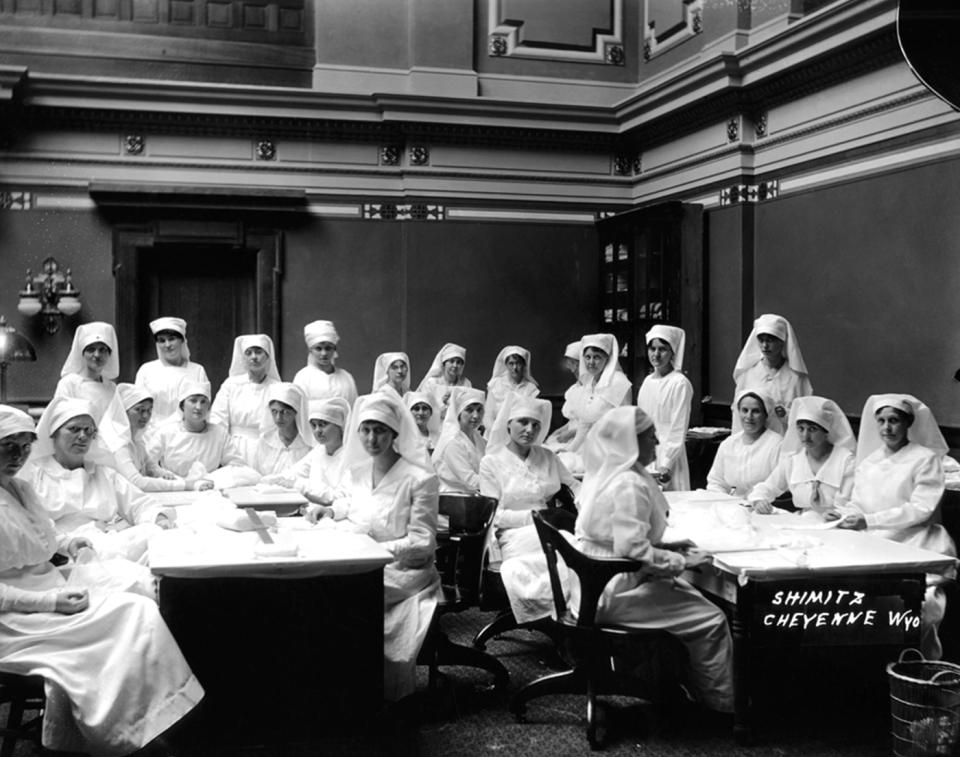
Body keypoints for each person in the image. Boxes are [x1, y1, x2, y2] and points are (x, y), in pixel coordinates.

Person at [0, 404, 204, 757]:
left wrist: (67, 542)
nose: (17, 455)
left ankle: (147, 722)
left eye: (23, 445)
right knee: (129, 614)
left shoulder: (19, 489)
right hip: (17, 619)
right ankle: (123, 732)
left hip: (52, 588)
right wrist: (50, 603)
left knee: (139, 608)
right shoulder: (29, 482)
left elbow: (42, 533)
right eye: (7, 445)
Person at [573, 406, 734, 714]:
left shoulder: (612, 472)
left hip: (594, 583)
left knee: (692, 598)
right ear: (631, 442)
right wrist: (680, 562)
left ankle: (684, 682)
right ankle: (722, 706)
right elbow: (632, 549)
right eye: (650, 438)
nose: (657, 443)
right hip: (614, 588)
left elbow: (617, 537)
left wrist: (669, 546)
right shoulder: (628, 483)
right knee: (712, 619)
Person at [321, 389, 440, 701]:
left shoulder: (419, 479)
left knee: (339, 597)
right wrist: (330, 511)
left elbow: (423, 542)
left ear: (395, 433)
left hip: (404, 572)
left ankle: (366, 690)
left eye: (381, 431)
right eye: (366, 430)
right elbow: (349, 506)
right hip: (360, 563)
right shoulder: (356, 472)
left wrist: (376, 550)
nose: (372, 439)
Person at [832, 394, 956, 659]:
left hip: (916, 543)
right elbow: (858, 503)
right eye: (882, 421)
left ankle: (917, 667)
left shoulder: (924, 459)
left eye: (894, 421)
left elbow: (921, 509)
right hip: (875, 543)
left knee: (916, 608)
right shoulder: (869, 462)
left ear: (908, 423)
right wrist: (847, 515)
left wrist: (871, 520)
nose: (887, 428)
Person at [19, 397, 168, 564]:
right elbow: (28, 523)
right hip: (59, 552)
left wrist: (159, 518)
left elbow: (139, 503)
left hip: (104, 544)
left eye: (89, 430)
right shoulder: (33, 474)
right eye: (74, 429)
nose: (82, 436)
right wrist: (65, 543)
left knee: (156, 534)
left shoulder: (103, 473)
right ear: (54, 433)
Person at [480, 395, 578, 563]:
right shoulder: (491, 463)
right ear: (509, 423)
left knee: (572, 545)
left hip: (549, 527)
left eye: (535, 425)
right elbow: (493, 515)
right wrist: (534, 516)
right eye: (523, 422)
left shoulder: (548, 457)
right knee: (558, 547)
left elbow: (574, 485)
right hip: (513, 533)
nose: (529, 430)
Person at [747, 395, 856, 515]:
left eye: (812, 429)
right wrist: (759, 500)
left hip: (839, 525)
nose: (805, 436)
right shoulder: (793, 461)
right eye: (801, 429)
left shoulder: (846, 461)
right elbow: (768, 486)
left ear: (826, 432)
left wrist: (837, 515)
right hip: (803, 522)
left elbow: (853, 503)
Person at [148, 380, 259, 490]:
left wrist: (214, 480)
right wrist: (161, 473)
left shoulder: (219, 434)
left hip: (208, 490)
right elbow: (147, 462)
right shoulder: (166, 432)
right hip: (173, 488)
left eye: (203, 402)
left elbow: (236, 464)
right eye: (193, 401)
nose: (198, 407)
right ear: (182, 406)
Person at [552, 334, 632, 474]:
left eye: (597, 357)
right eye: (587, 357)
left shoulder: (619, 383)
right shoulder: (590, 384)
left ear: (607, 358)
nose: (591, 362)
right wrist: (570, 449)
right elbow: (584, 424)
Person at [264, 397, 351, 521]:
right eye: (314, 425)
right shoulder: (319, 450)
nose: (317, 431)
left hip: (337, 519)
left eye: (323, 425)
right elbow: (294, 472)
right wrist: (271, 480)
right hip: (312, 515)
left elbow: (339, 496)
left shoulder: (350, 457)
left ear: (339, 425)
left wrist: (299, 484)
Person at [732, 314, 812, 434]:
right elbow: (737, 413)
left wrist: (786, 414)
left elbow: (805, 414)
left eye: (770, 340)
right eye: (761, 340)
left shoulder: (795, 378)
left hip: (783, 439)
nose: (765, 346)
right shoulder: (748, 373)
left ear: (781, 342)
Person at [102, 383, 190, 492]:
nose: (145, 416)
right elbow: (136, 482)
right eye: (139, 410)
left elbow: (150, 466)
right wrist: (183, 485)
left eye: (149, 410)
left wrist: (166, 475)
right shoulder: (117, 443)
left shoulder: (136, 439)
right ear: (124, 411)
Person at [636, 325, 693, 490]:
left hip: (669, 455)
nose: (656, 354)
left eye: (662, 349)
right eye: (652, 349)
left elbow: (678, 426)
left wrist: (667, 464)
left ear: (672, 352)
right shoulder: (647, 382)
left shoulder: (680, 383)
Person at [211, 333, 281, 467]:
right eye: (249, 353)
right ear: (243, 358)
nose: (254, 357)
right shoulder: (231, 385)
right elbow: (218, 420)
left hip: (267, 450)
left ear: (267, 356)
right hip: (234, 448)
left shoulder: (277, 388)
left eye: (259, 352)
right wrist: (223, 452)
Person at [134, 316, 209, 432]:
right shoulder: (146, 370)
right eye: (162, 340)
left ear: (182, 340)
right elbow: (138, 407)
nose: (167, 345)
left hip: (186, 434)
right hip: (151, 434)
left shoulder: (197, 371)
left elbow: (203, 408)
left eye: (172, 339)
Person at [706, 389, 783, 497]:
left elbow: (779, 484)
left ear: (766, 414)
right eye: (745, 410)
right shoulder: (728, 444)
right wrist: (724, 501)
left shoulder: (776, 444)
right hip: (731, 505)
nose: (749, 416)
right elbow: (716, 482)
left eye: (756, 411)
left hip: (765, 507)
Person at [54, 321, 125, 426]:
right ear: (82, 353)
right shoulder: (69, 384)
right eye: (91, 350)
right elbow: (61, 419)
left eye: (102, 350)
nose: (97, 355)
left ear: (110, 354)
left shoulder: (112, 388)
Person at [432, 387, 486, 494]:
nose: (475, 415)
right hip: (452, 498)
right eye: (469, 410)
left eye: (479, 410)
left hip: (473, 495)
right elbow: (470, 480)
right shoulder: (452, 441)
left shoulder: (480, 440)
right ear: (459, 412)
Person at [253, 382, 314, 476]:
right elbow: (257, 475)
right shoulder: (265, 442)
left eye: (284, 412)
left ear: (296, 411)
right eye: (274, 411)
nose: (278, 418)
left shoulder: (308, 445)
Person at [293, 320, 358, 405]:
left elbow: (354, 409)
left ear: (334, 349)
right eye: (318, 349)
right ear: (310, 351)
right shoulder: (303, 378)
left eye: (328, 348)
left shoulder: (346, 377)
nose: (324, 353)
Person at [484, 346, 540, 431]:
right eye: (511, 363)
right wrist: (496, 433)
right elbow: (488, 416)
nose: (515, 367)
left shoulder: (531, 389)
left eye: (518, 363)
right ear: (505, 365)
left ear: (524, 365)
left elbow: (532, 417)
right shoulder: (495, 385)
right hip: (494, 432)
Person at [544, 340, 584, 448]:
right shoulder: (573, 390)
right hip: (569, 437)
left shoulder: (593, 390)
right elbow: (572, 421)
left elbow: (592, 425)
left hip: (585, 440)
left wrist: (571, 433)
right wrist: (557, 432)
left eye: (572, 362)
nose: (569, 366)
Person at [417, 342, 471, 418]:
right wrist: (442, 403)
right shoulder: (432, 383)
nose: (455, 365)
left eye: (458, 362)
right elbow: (424, 409)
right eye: (451, 361)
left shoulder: (466, 384)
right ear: (444, 363)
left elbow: (469, 409)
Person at [404, 391, 441, 455]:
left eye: (424, 408)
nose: (421, 413)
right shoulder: (403, 438)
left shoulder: (439, 438)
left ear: (431, 413)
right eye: (416, 409)